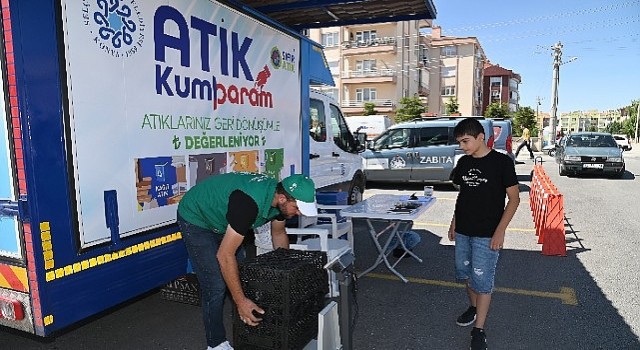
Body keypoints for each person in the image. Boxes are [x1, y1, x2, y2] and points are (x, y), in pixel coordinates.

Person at [177, 172, 318, 350]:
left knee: (242, 276)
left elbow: (279, 233)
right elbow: (224, 256)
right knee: (216, 285)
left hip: (225, 218)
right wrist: (241, 301)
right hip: (197, 217)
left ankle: (245, 324)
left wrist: (287, 272)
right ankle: (216, 343)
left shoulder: (279, 202)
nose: (298, 213)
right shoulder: (249, 204)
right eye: (297, 208)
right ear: (282, 198)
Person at [448, 118, 520, 350]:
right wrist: (454, 222)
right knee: (466, 274)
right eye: (460, 142)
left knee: (483, 282)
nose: (463, 146)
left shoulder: (502, 163)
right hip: (463, 232)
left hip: (487, 235)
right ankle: (473, 307)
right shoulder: (463, 163)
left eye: (466, 141)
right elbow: (464, 197)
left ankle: (478, 329)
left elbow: (514, 199)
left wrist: (500, 232)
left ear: (481, 137)